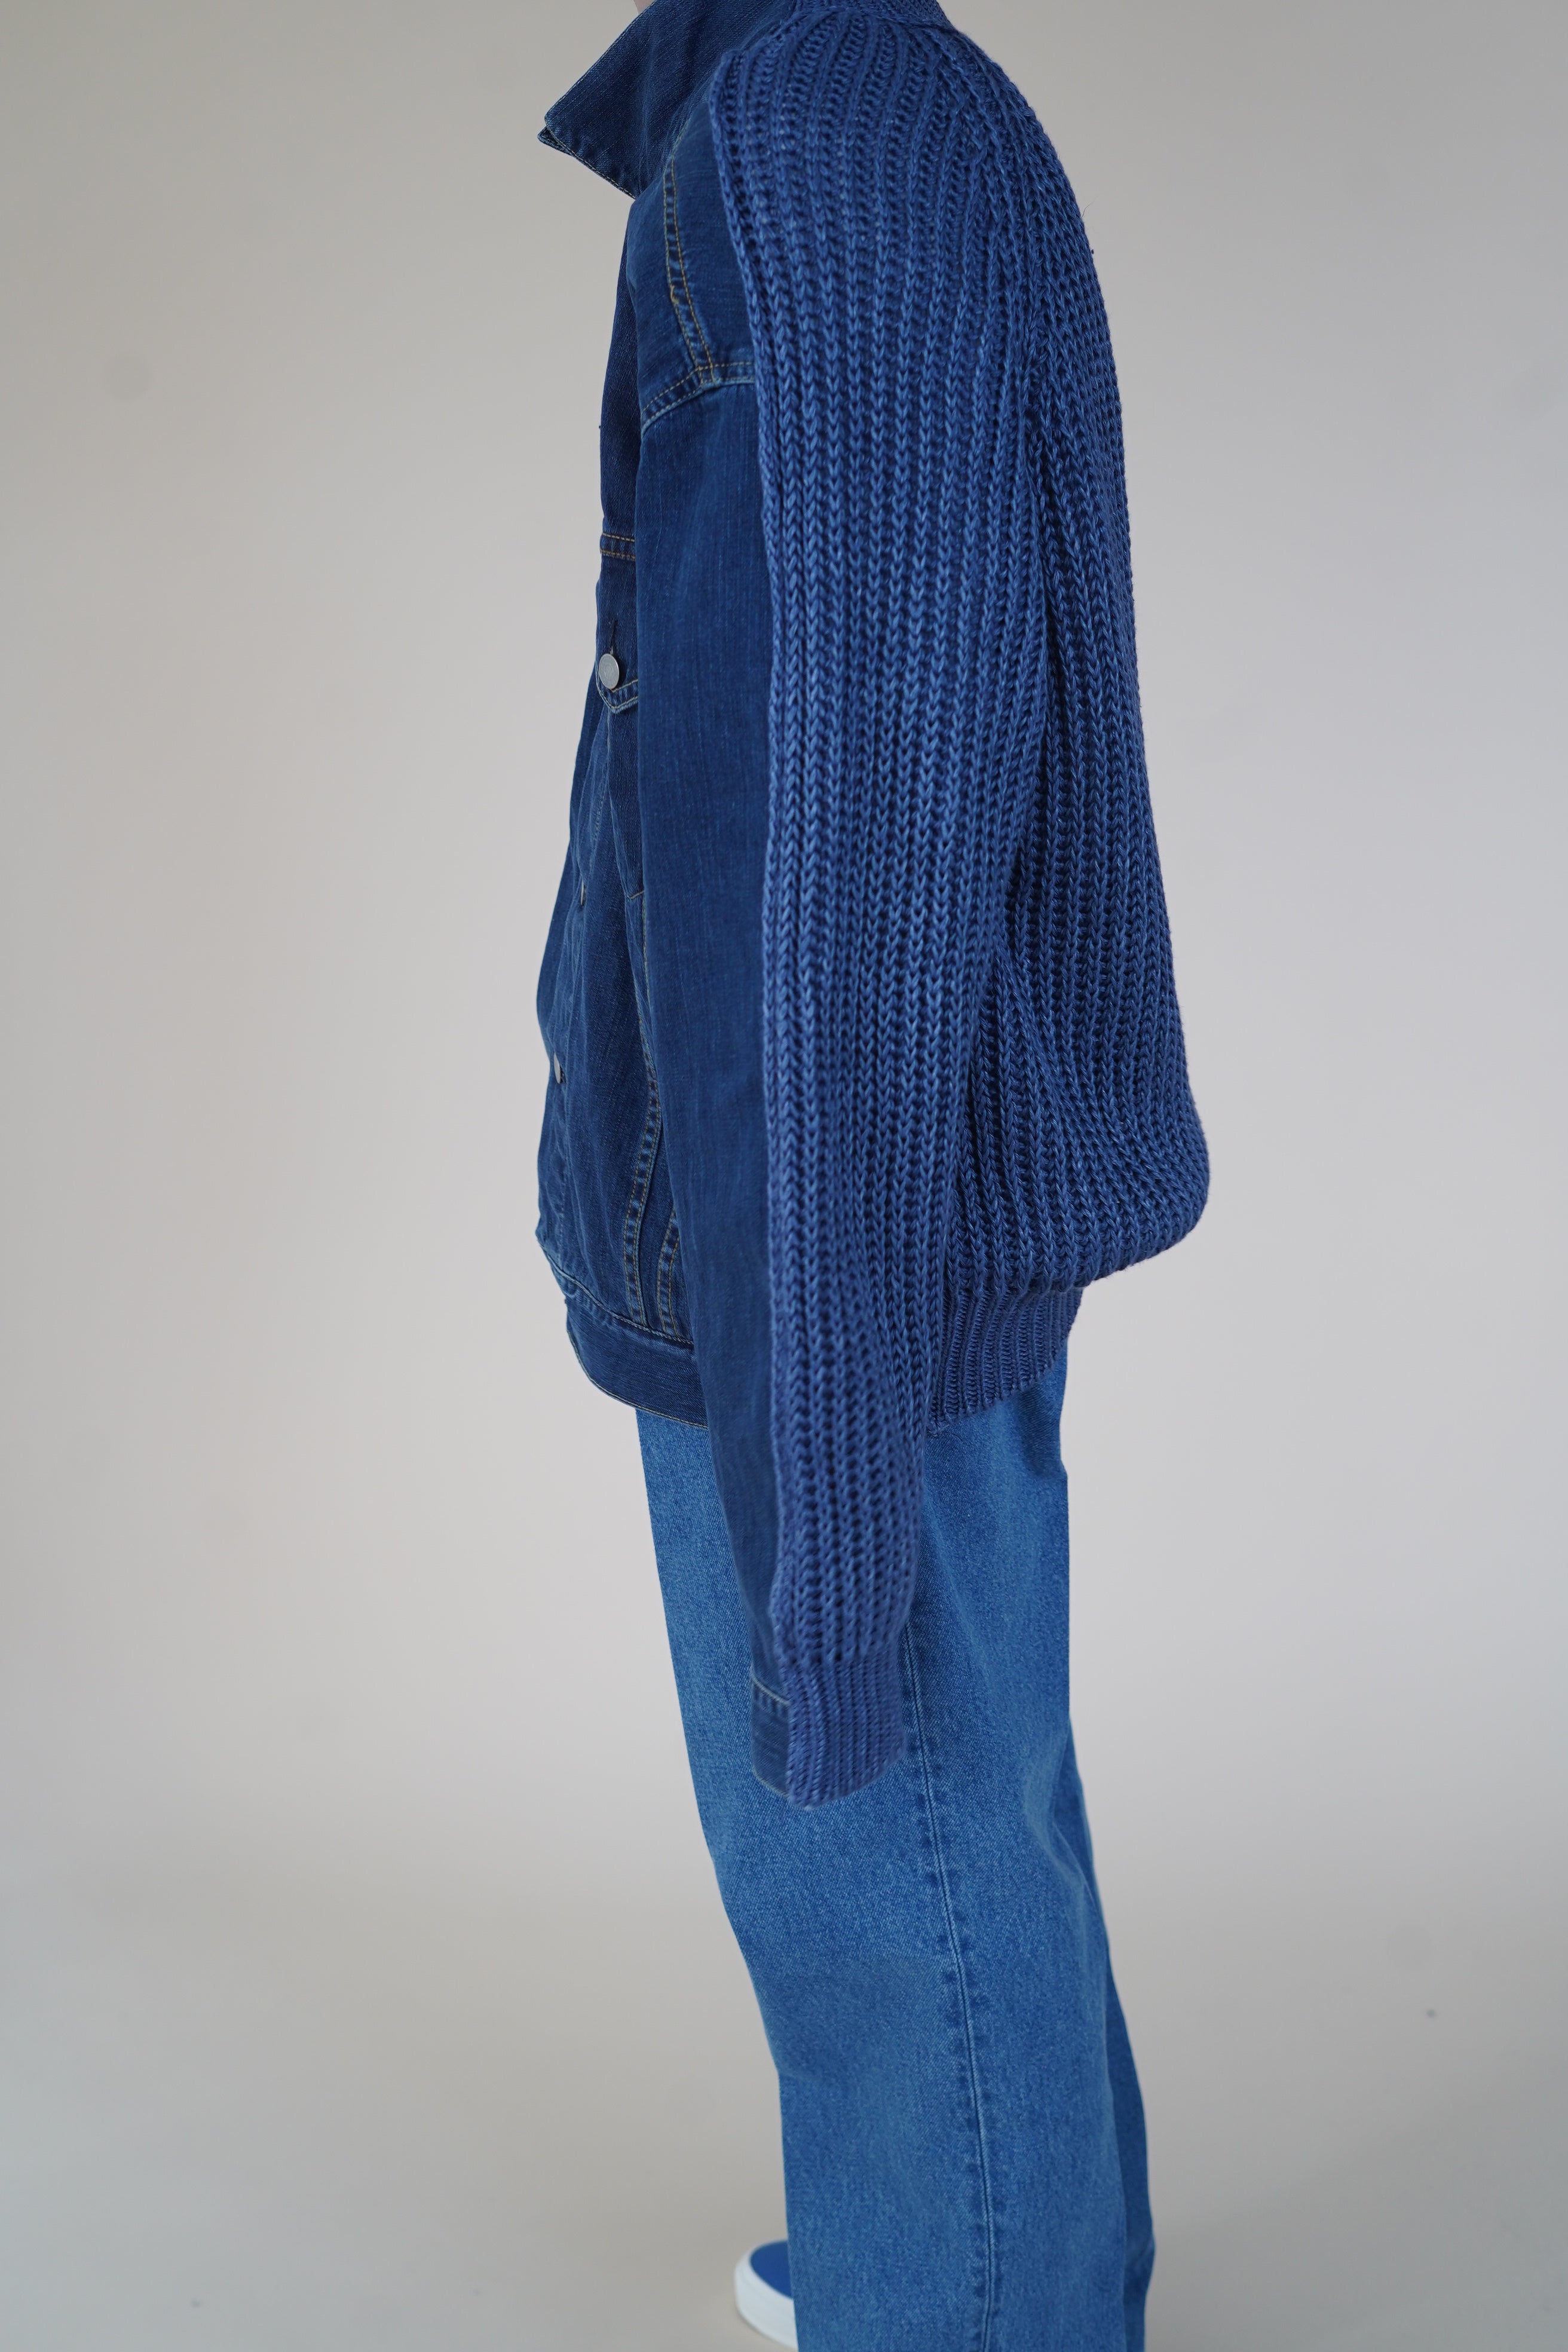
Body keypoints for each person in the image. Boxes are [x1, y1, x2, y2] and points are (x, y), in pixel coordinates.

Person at [534, 1, 1208, 2345]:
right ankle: (1001, 2254)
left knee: (873, 1836)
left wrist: (806, 1443)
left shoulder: (813, 138)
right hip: (864, 1205)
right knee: (961, 1802)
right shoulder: (849, 109)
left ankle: (974, 2304)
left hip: (828, 1242)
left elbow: (825, 845)